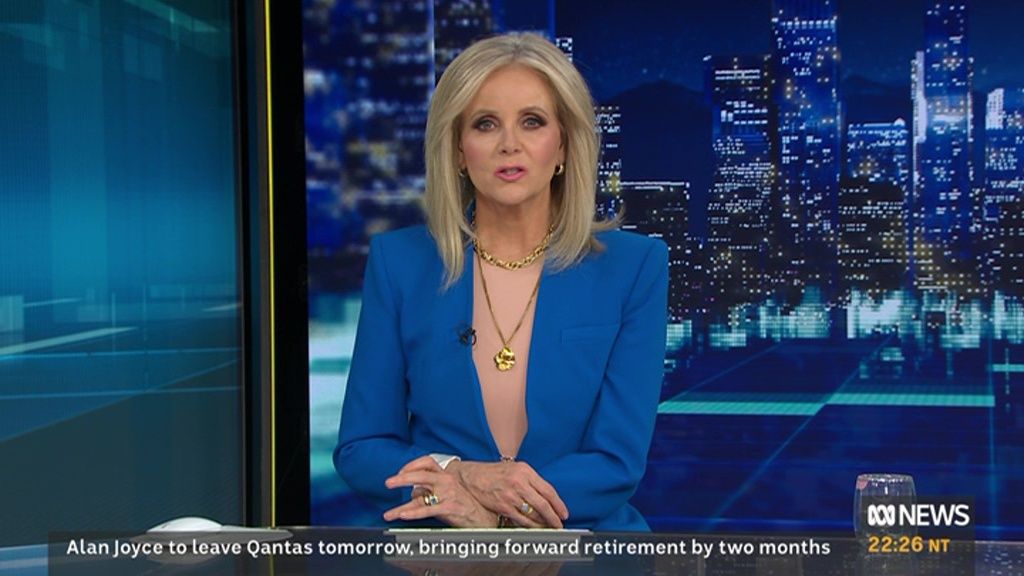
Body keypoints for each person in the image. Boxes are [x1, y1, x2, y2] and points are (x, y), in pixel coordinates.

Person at [334, 32, 668, 531]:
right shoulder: (399, 263)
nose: (509, 143)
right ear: (457, 150)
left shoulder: (634, 266)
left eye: (532, 121)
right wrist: (459, 477)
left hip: (585, 547)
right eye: (485, 124)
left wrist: (494, 517)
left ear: (563, 146)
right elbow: (363, 449)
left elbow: (616, 463)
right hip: (442, 550)